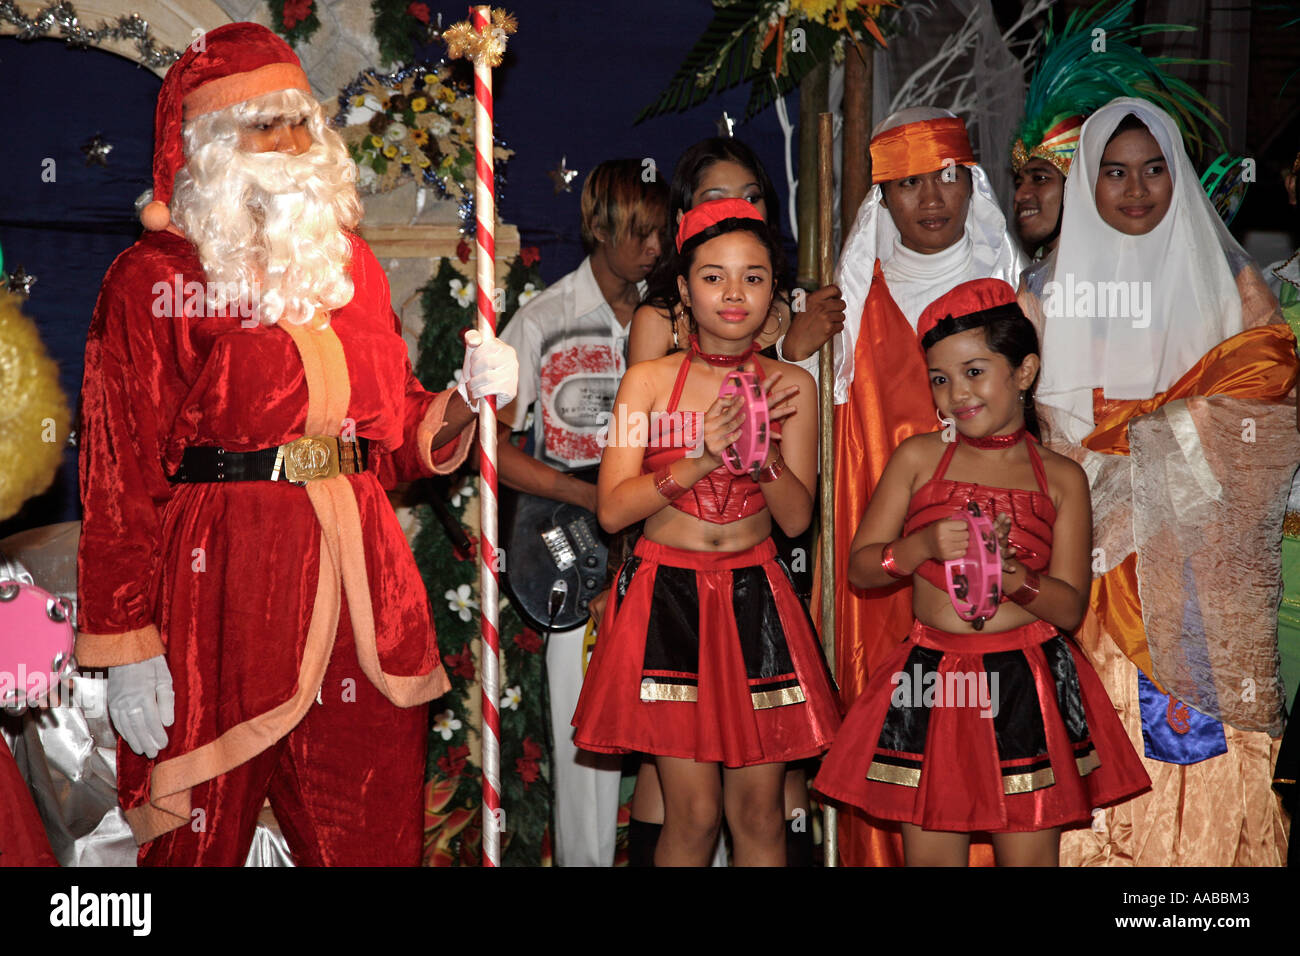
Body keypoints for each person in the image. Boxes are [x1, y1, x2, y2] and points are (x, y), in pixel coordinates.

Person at [75, 23, 518, 866]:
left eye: (298, 123)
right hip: (222, 603)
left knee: (374, 847)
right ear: (204, 149)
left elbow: (391, 439)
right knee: (192, 850)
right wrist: (128, 642)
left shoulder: (349, 266)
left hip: (366, 600)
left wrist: (465, 400)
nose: (285, 144)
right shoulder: (156, 279)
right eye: (259, 126)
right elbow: (119, 469)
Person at [1019, 98, 1299, 866]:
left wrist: (1155, 448)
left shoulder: (1229, 286)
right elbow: (1031, 433)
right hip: (1092, 557)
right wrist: (1104, 487)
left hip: (1199, 554)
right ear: (1087, 182)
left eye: (1154, 169)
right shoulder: (1044, 293)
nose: (1136, 188)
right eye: (1114, 171)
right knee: (1095, 737)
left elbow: (1269, 393)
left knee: (1200, 742)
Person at [814, 278, 1150, 865]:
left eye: (974, 372)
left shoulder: (1061, 477)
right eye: (940, 379)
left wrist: (1012, 575)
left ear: (1024, 372)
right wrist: (917, 547)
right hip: (932, 680)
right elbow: (863, 570)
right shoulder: (918, 458)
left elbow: (1070, 609)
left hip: (1026, 683)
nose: (955, 394)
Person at [572, 198, 841, 866]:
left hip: (758, 602)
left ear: (774, 292)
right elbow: (611, 510)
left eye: (753, 276)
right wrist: (701, 455)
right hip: (670, 603)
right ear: (684, 290)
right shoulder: (644, 384)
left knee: (761, 814)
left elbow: (797, 519)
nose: (734, 292)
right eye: (714, 275)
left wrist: (763, 455)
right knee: (689, 814)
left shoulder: (792, 388)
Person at [828, 106, 1024, 866]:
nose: (931, 197)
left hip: (991, 553)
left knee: (991, 729)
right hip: (879, 558)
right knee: (889, 718)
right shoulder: (848, 303)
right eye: (907, 184)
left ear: (970, 182)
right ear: (884, 199)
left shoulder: (1010, 296)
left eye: (945, 176)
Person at [496, 158, 668, 866]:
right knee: (586, 746)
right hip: (578, 551)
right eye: (640, 234)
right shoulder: (543, 319)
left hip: (672, 545)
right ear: (598, 227)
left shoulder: (680, 316)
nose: (656, 250)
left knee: (688, 734)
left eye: (664, 234)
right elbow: (494, 447)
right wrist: (582, 494)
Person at [1008, 0, 1222, 261]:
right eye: (1019, 182)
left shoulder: (1152, 266)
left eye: (1040, 178)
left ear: (1080, 185)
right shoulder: (1028, 280)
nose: (1021, 195)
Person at [628, 136, 844, 372]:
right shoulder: (658, 320)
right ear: (682, 219)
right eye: (716, 199)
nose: (737, 212)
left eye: (751, 198)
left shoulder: (802, 307)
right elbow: (640, 408)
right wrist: (789, 355)